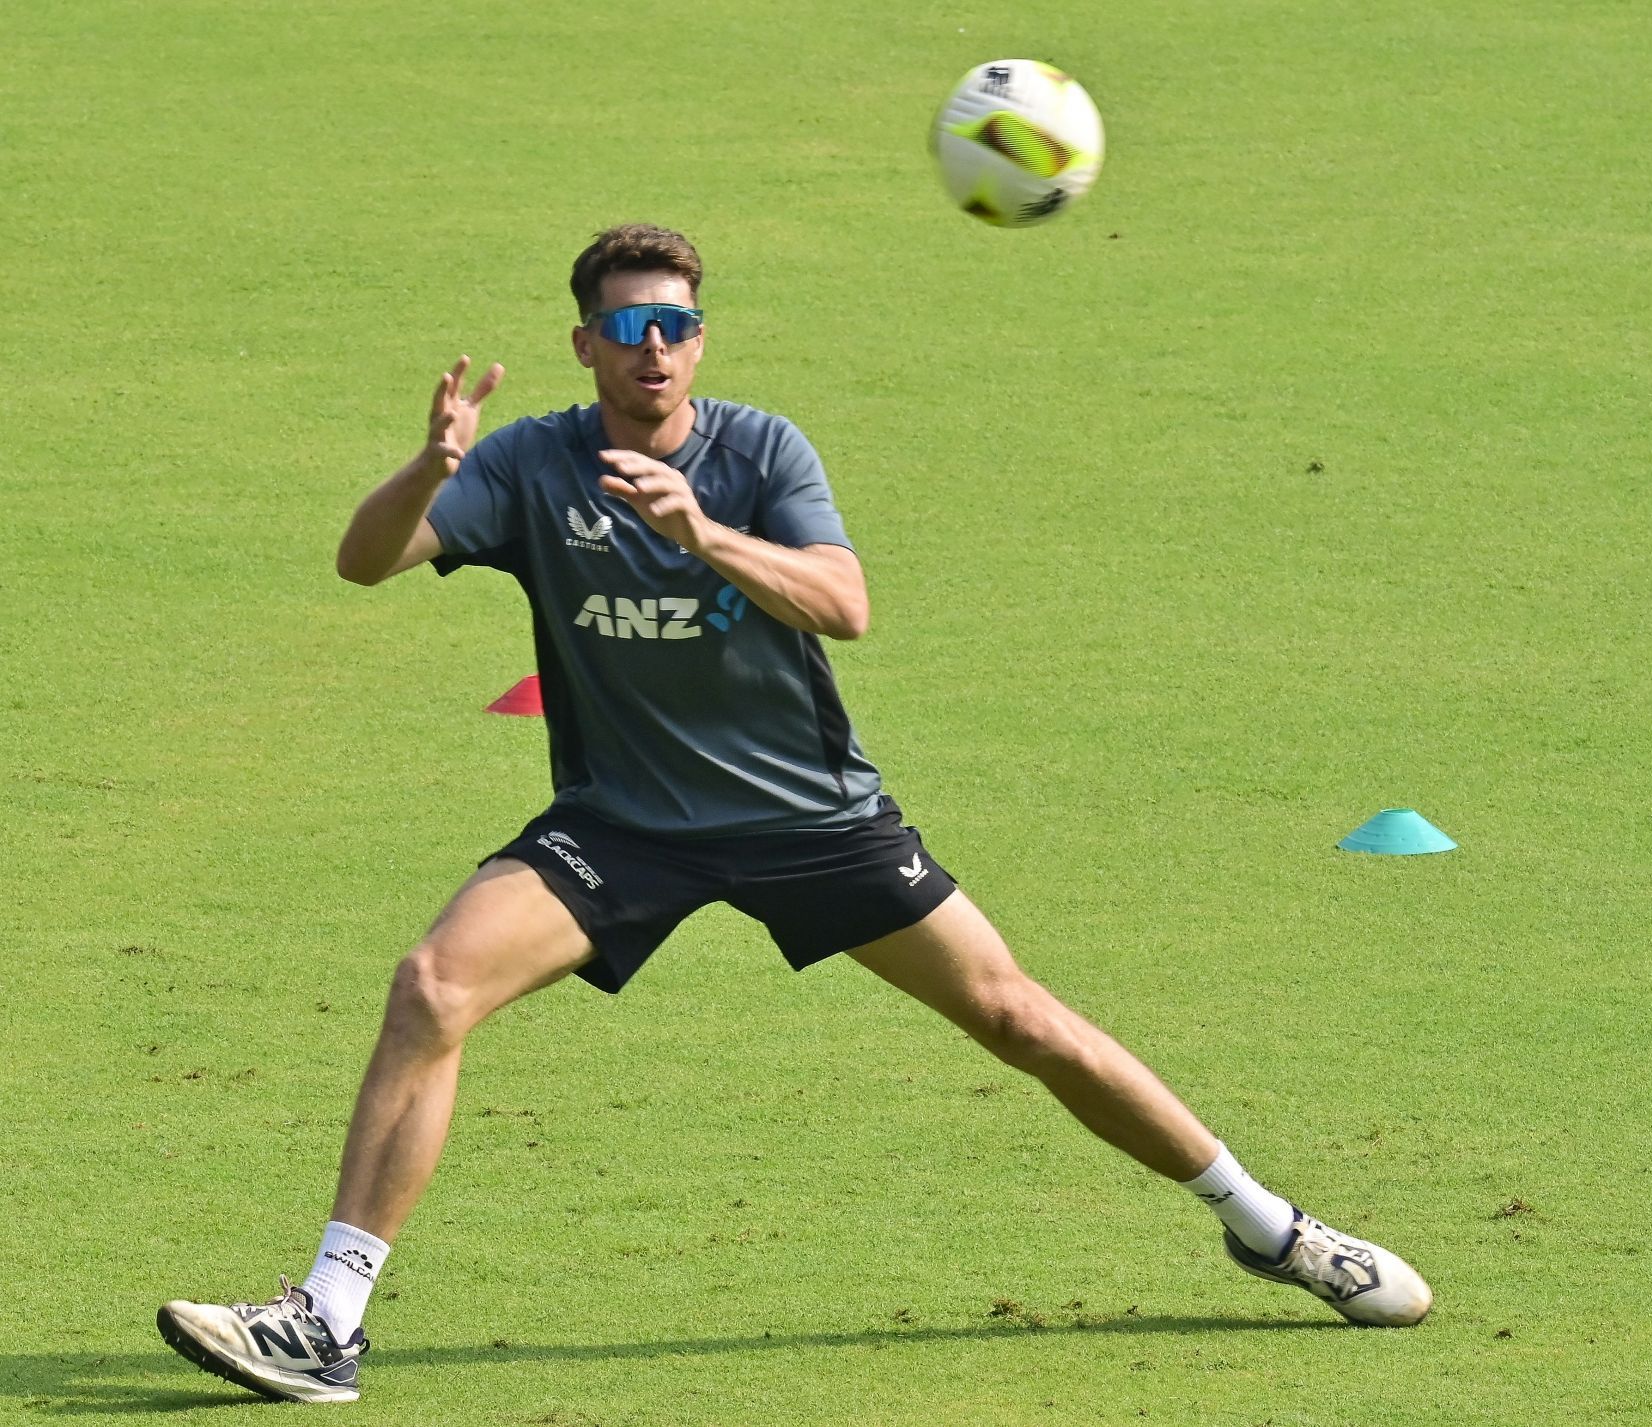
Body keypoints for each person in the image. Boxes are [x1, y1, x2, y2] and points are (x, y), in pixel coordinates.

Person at [156, 223, 1430, 1404]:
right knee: (432, 986)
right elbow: (364, 560)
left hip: (807, 816)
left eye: (676, 325)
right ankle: (328, 1321)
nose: (653, 347)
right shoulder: (530, 460)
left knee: (1018, 1017)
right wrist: (427, 466)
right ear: (585, 344)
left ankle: (1275, 1228)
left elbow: (844, 605)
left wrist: (702, 533)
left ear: (700, 339)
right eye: (627, 327)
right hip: (624, 823)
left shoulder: (762, 453)